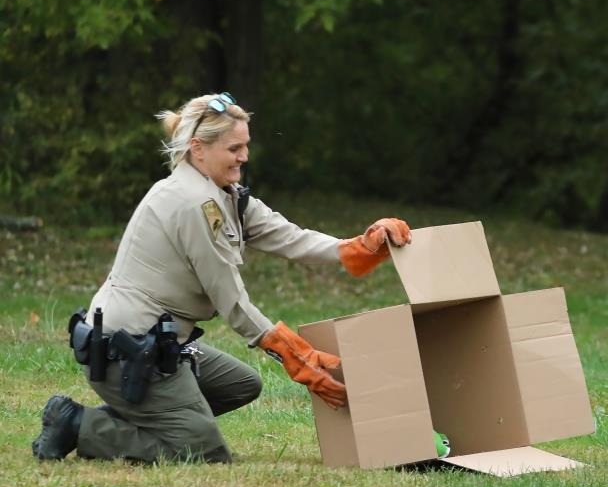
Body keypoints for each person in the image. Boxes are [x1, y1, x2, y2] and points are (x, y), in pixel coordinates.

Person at [32, 92, 412, 463]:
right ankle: (78, 424)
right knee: (202, 450)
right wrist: (291, 354)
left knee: (242, 384)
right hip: (128, 353)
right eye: (234, 148)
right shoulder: (195, 204)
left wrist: (360, 246)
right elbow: (230, 298)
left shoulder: (223, 195)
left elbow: (290, 237)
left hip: (155, 346)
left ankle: (153, 419)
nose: (244, 156)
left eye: (245, 146)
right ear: (199, 148)